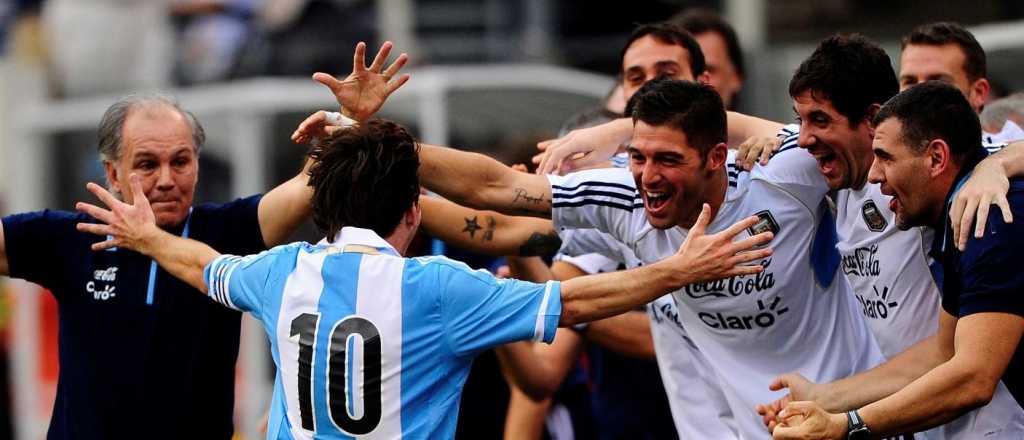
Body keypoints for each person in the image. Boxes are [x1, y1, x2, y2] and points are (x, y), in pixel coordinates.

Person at [74, 117, 773, 438]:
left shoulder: (281, 272)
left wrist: (145, 235)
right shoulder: (437, 288)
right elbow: (576, 299)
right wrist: (676, 269)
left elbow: (202, 267)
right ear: (413, 213)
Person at [388, 77, 885, 439]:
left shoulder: (785, 174)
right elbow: (498, 189)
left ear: (717, 156)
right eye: (639, 157)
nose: (647, 176)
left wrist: (967, 178)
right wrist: (370, 143)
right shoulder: (623, 197)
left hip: (853, 414)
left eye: (668, 160)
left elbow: (873, 145)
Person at [0, 41, 408, 439]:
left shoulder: (227, 230)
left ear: (197, 164)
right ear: (112, 174)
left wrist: (349, 117)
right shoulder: (71, 237)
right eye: (146, 164)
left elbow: (309, 184)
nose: (165, 180)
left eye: (180, 162)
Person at [745, 33, 1024, 440]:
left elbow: (973, 377)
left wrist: (848, 425)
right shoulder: (942, 213)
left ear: (936, 157)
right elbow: (941, 351)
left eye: (885, 159)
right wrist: (825, 398)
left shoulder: (990, 209)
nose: (877, 176)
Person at [898, 21, 1022, 145]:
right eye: (910, 82)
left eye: (936, 81)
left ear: (978, 93)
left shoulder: (1009, 156)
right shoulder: (881, 158)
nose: (918, 93)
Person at [670, 8, 745, 109]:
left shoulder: (769, 124)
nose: (693, 81)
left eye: (707, 70)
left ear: (736, 77)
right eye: (678, 71)